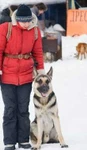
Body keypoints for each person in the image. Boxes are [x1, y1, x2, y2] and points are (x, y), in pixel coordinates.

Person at [0, 4, 45, 150]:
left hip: (26, 76)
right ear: (17, 19)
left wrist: (41, 71)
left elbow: (38, 52)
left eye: (28, 21)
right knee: (10, 108)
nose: (26, 24)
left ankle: (23, 139)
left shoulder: (35, 31)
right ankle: (9, 142)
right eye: (22, 21)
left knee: (23, 109)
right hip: (7, 75)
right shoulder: (5, 28)